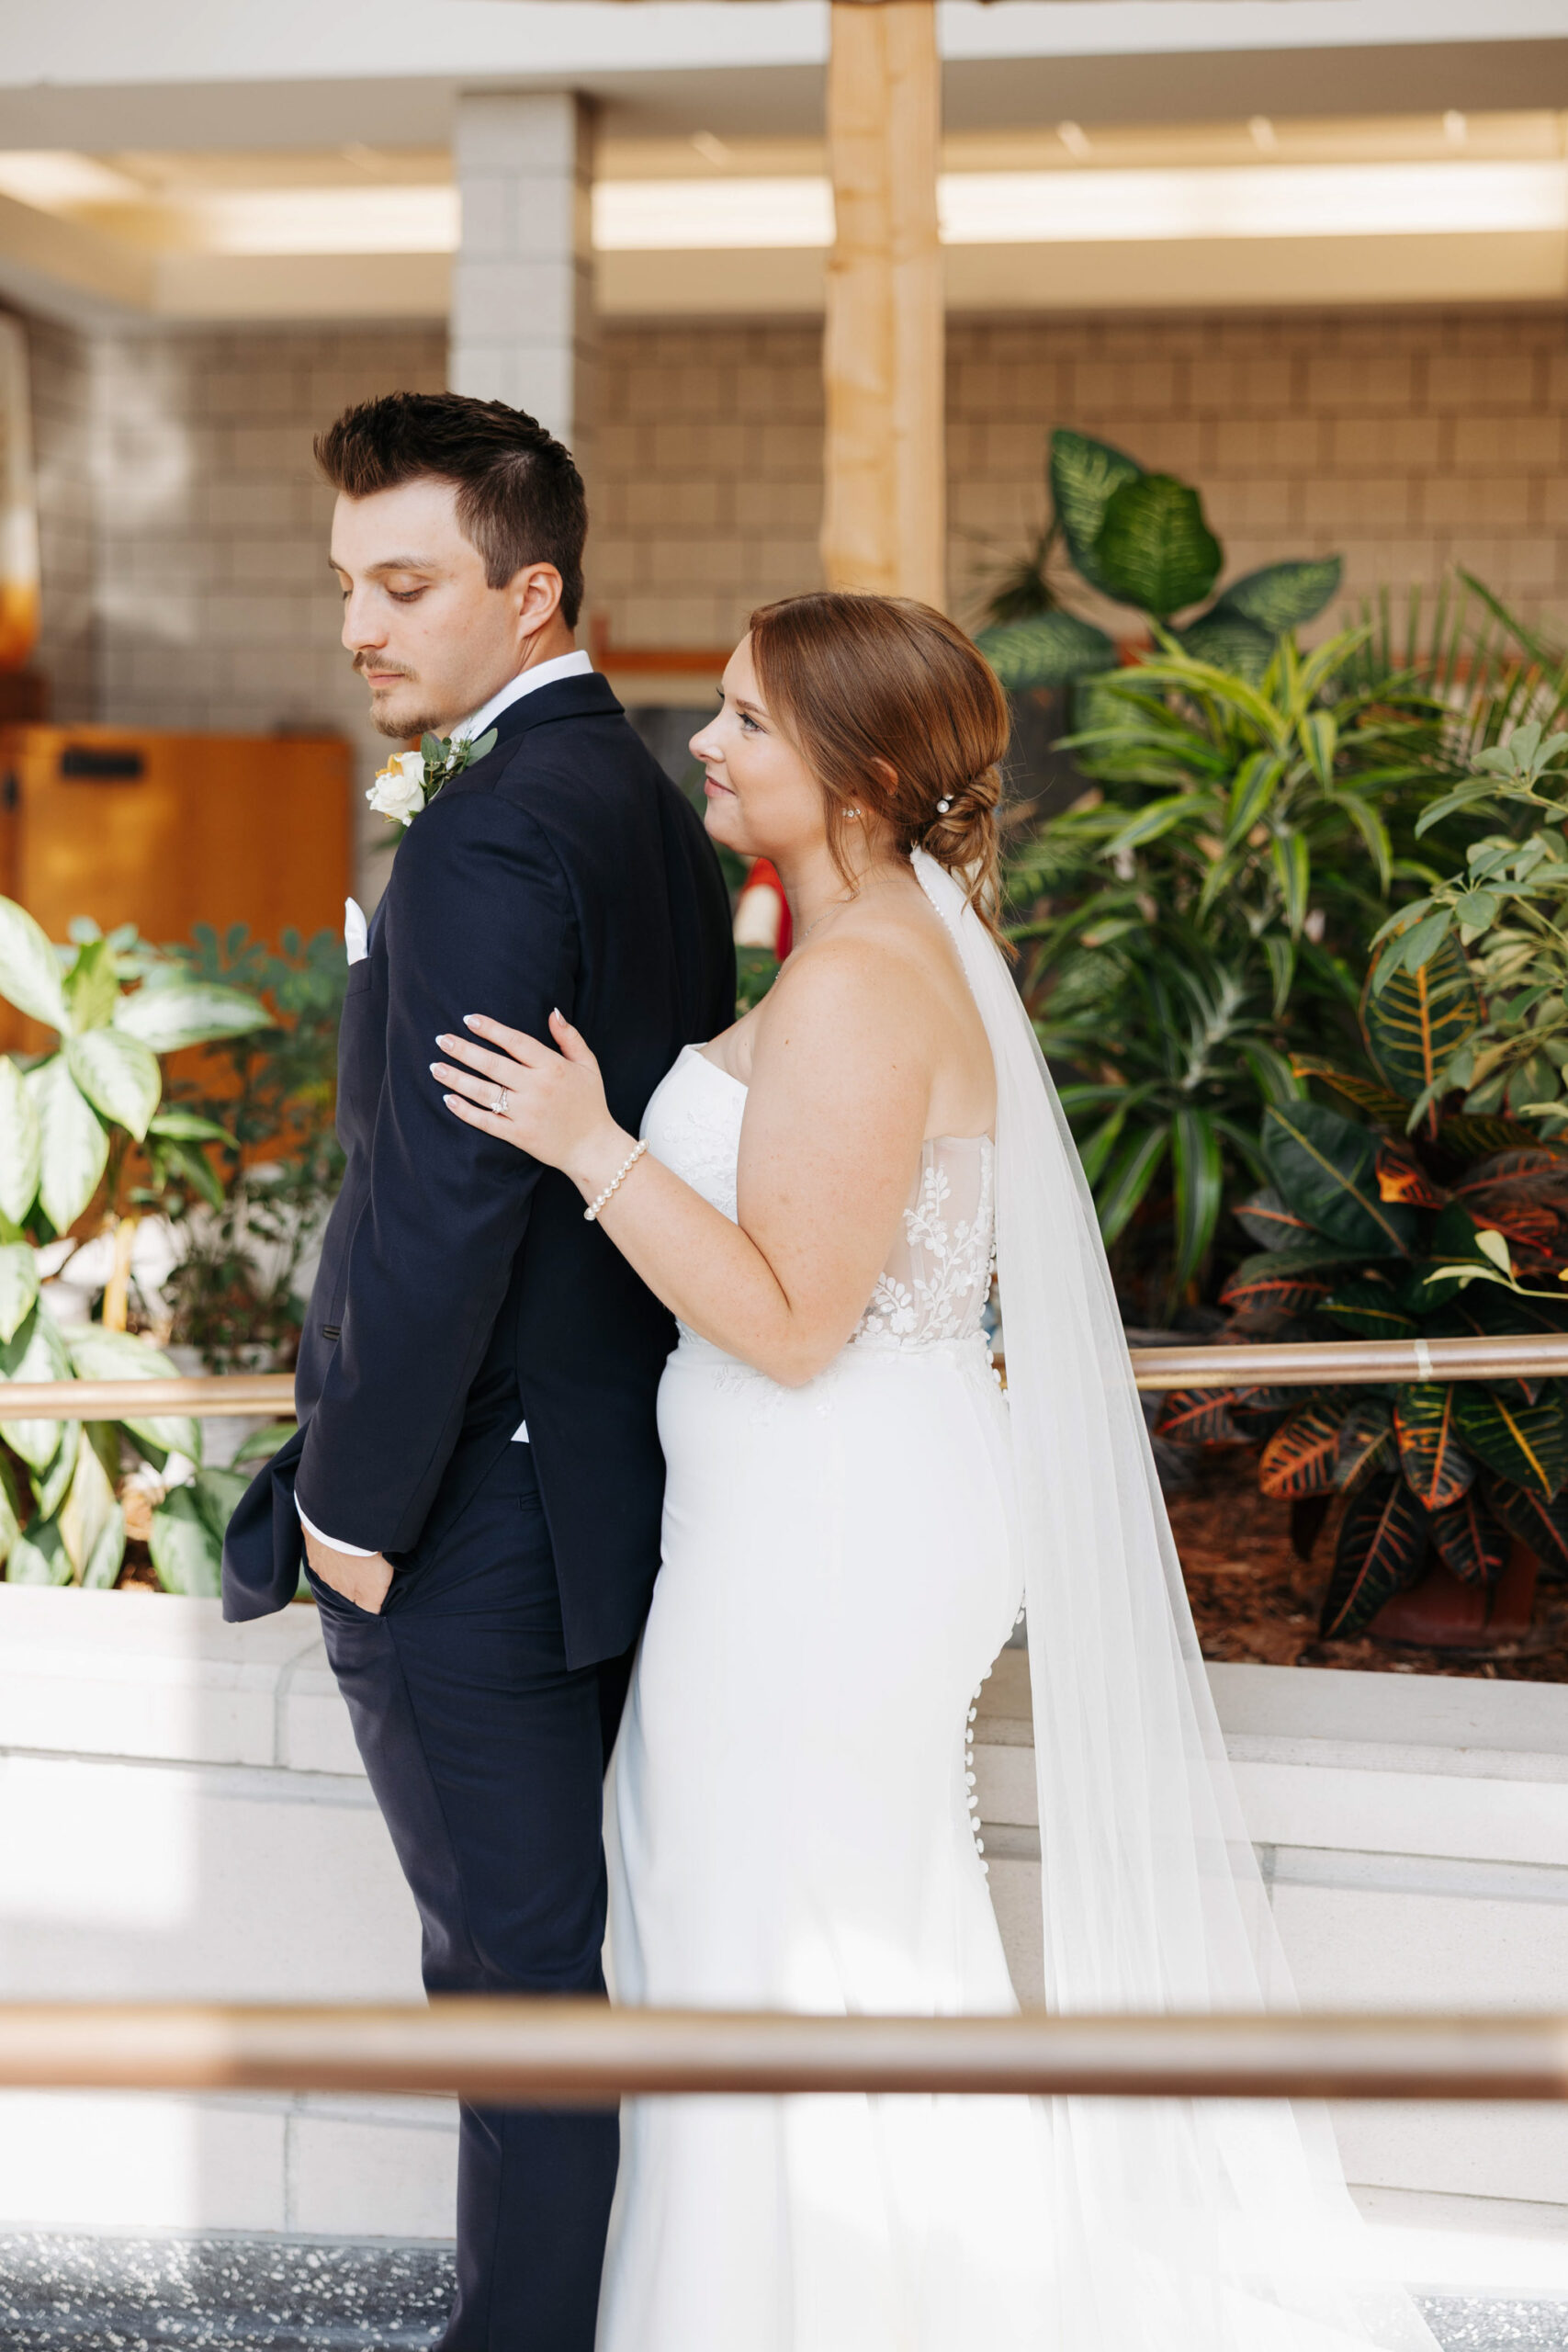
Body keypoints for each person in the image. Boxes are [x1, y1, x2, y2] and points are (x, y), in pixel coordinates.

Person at [434, 592, 1441, 2352]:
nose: (709, 744)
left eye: (748, 721)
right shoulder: (870, 951)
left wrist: (591, 1145)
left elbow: (797, 1315)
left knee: (770, 1922)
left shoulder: (859, 986)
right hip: (819, 1514)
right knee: (804, 1916)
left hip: (832, 1525)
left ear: (865, 774)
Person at [220, 390, 735, 2352]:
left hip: (469, 1514)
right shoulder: (639, 810)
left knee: (514, 1978)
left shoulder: (489, 830)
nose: (361, 623)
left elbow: (438, 1214)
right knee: (549, 1968)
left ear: (532, 593)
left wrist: (352, 1513)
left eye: (407, 582)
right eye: (348, 580)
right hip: (599, 1487)